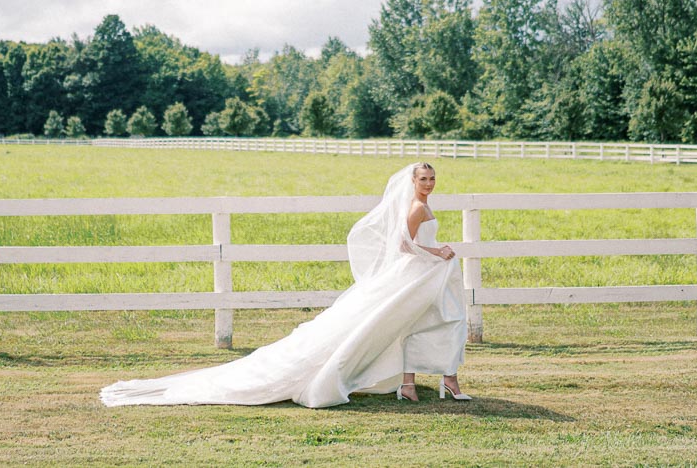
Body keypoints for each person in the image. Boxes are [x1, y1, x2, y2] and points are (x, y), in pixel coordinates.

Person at [99, 161, 471, 408]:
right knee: (411, 321)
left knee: (411, 324)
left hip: (416, 274)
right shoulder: (416, 207)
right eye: (423, 178)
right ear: (412, 181)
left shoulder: (422, 204)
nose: (429, 183)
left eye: (432, 178)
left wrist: (432, 255)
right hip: (413, 271)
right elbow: (403, 245)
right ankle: (433, 381)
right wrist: (436, 252)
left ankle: (411, 383)